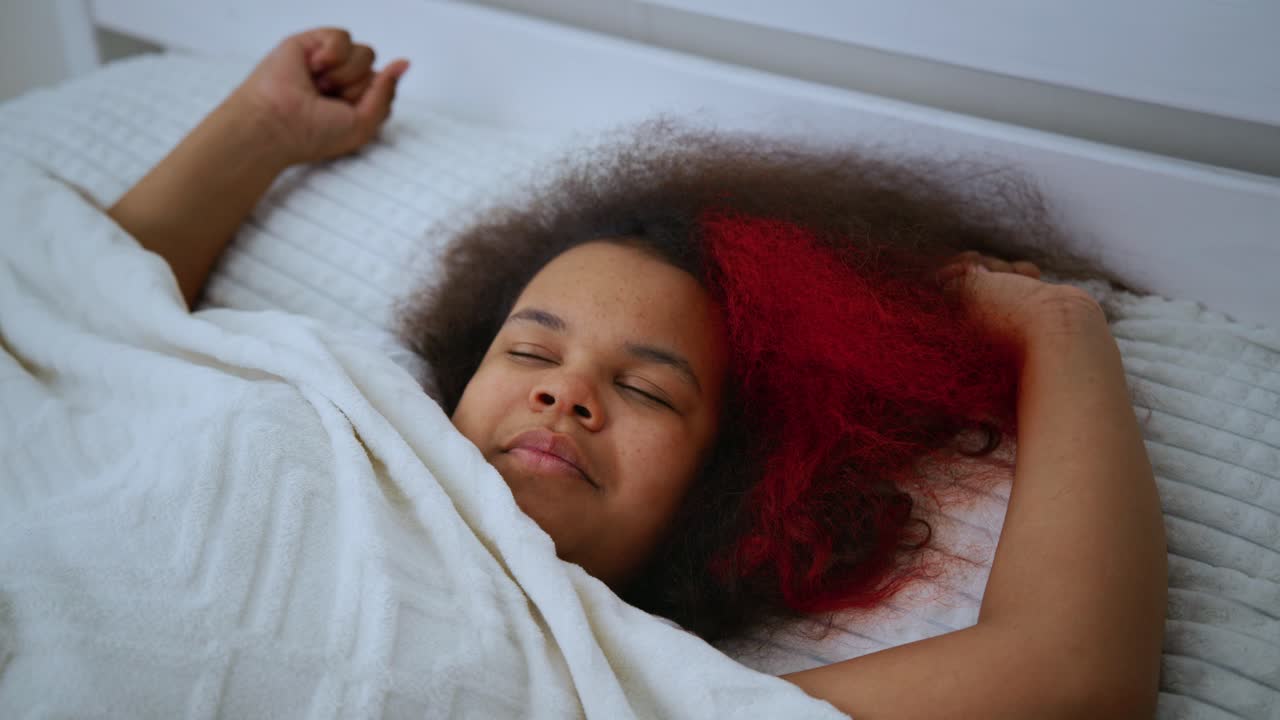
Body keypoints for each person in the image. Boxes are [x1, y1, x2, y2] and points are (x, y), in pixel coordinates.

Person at [108, 28, 1168, 718]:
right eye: (529, 350)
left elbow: (1071, 678)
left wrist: (1055, 331)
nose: (564, 394)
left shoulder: (610, 684)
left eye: (648, 390)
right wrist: (259, 131)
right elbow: (69, 310)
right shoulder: (331, 397)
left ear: (715, 504)